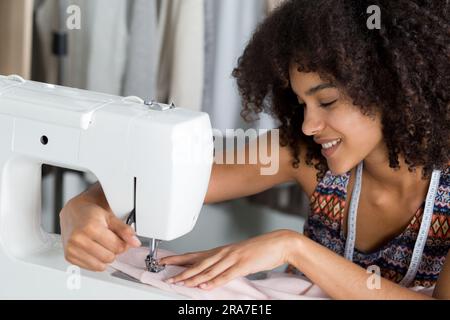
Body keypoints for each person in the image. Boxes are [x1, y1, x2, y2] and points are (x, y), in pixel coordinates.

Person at [59, 0, 450, 299]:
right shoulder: (303, 155)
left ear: (392, 91)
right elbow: (164, 180)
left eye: (327, 102)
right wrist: (82, 208)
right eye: (301, 105)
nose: (309, 125)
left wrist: (292, 247)